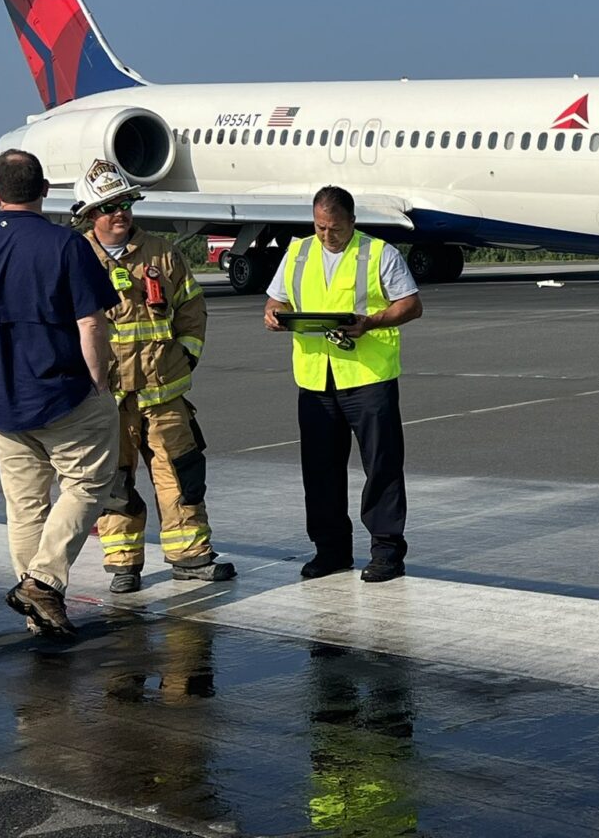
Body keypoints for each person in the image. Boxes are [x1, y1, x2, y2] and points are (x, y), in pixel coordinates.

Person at [0, 150, 120, 637]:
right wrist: (98, 379)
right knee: (86, 484)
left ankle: (38, 612)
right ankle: (43, 582)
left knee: (25, 506)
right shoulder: (66, 245)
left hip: (0, 398)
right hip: (63, 393)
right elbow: (90, 321)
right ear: (44, 190)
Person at [73, 158, 236, 593]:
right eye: (109, 206)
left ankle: (191, 557)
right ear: (90, 214)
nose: (120, 213)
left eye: (125, 203)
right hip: (107, 399)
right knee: (115, 482)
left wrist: (184, 357)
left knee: (181, 475)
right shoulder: (74, 258)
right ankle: (124, 564)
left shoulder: (162, 253)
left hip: (165, 394)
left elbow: (191, 308)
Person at [263, 186, 422, 582]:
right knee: (319, 471)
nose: (326, 236)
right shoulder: (298, 252)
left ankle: (386, 551)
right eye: (319, 227)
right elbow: (275, 300)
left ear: (352, 221)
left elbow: (411, 305)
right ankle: (330, 550)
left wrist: (372, 322)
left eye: (334, 228)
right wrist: (274, 315)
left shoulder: (378, 252)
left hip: (368, 377)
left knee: (381, 466)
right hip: (316, 378)